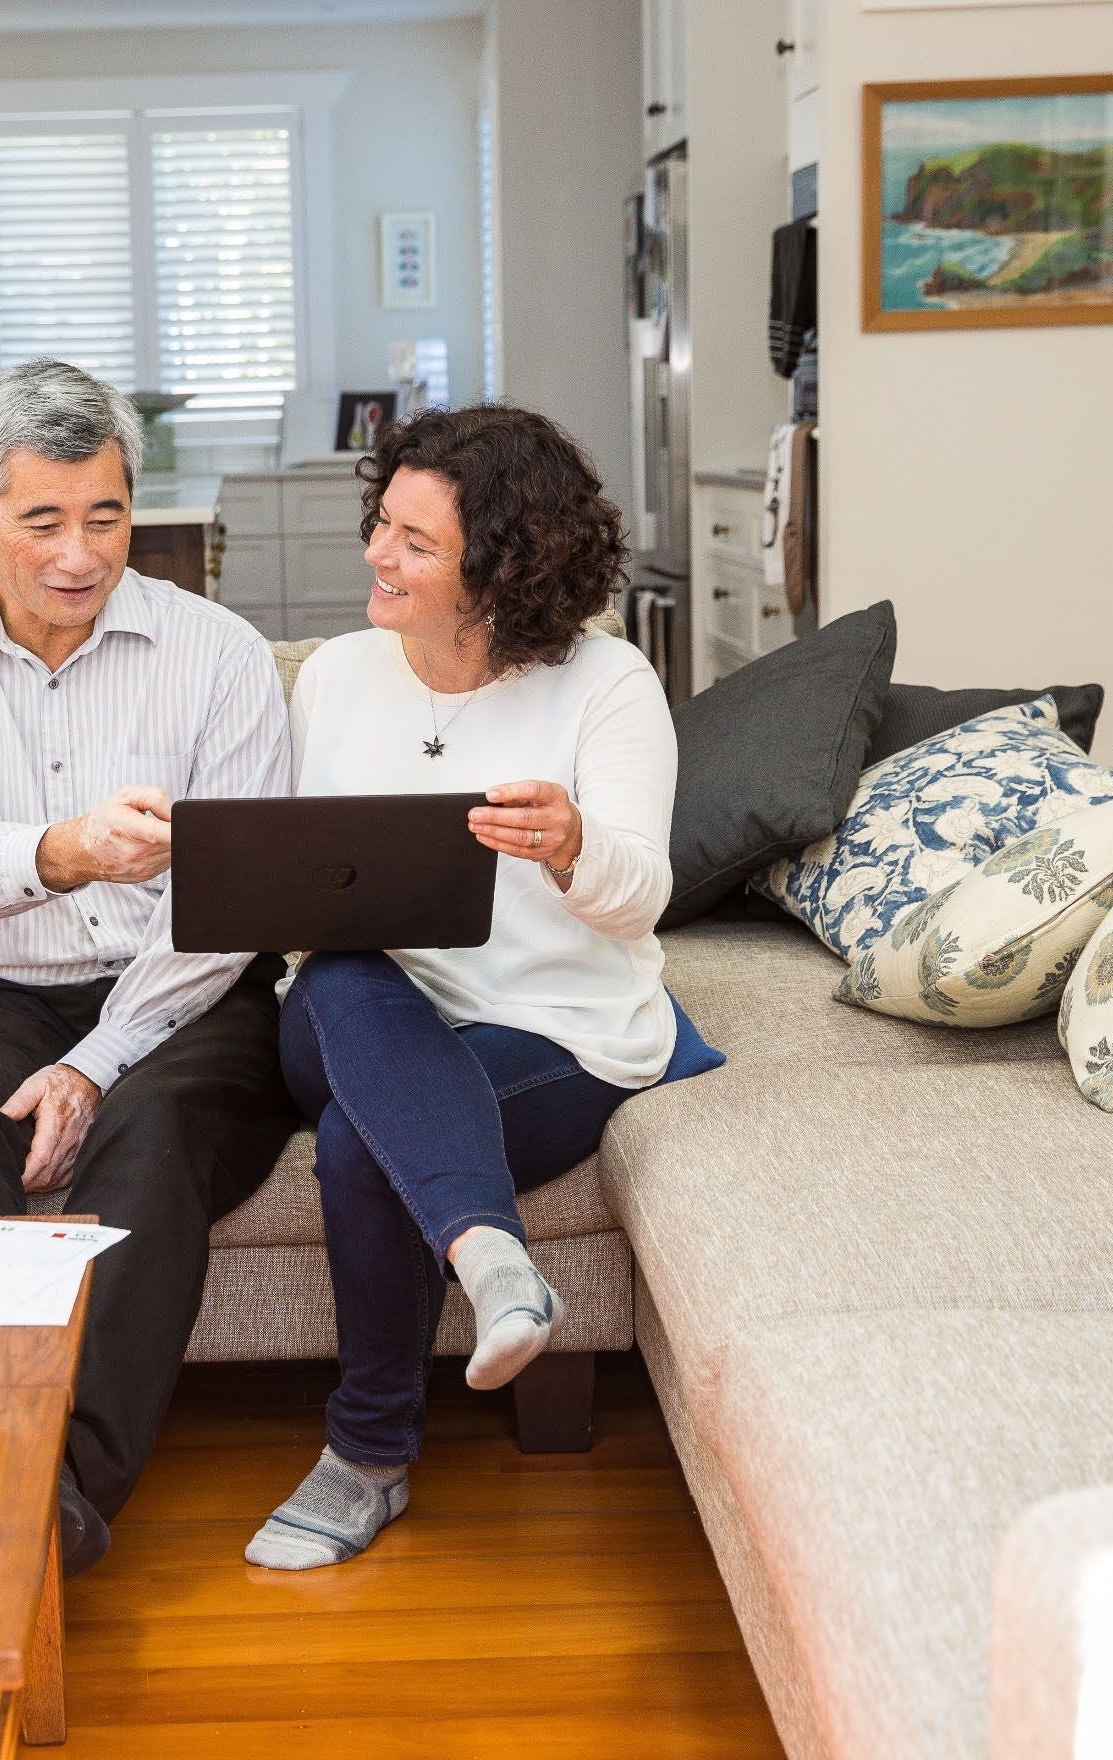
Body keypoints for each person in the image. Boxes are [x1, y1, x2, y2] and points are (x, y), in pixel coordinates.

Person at [245, 404, 723, 1571]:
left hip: (554, 1027)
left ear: (502, 567)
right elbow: (297, 882)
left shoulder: (607, 683)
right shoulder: (337, 677)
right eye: (382, 522)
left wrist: (569, 845)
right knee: (349, 971)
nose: (378, 553)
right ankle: (489, 1250)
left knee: (365, 1142)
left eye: (416, 541)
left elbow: (640, 896)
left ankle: (365, 1458)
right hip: (356, 1005)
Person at [0, 359, 299, 1575]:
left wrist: (92, 1065)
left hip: (194, 989)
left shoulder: (217, 654)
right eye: (42, 518)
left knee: (151, 1134)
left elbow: (231, 910)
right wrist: (65, 850)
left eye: (105, 515)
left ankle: (49, 1501)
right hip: (9, 989)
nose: (79, 552)